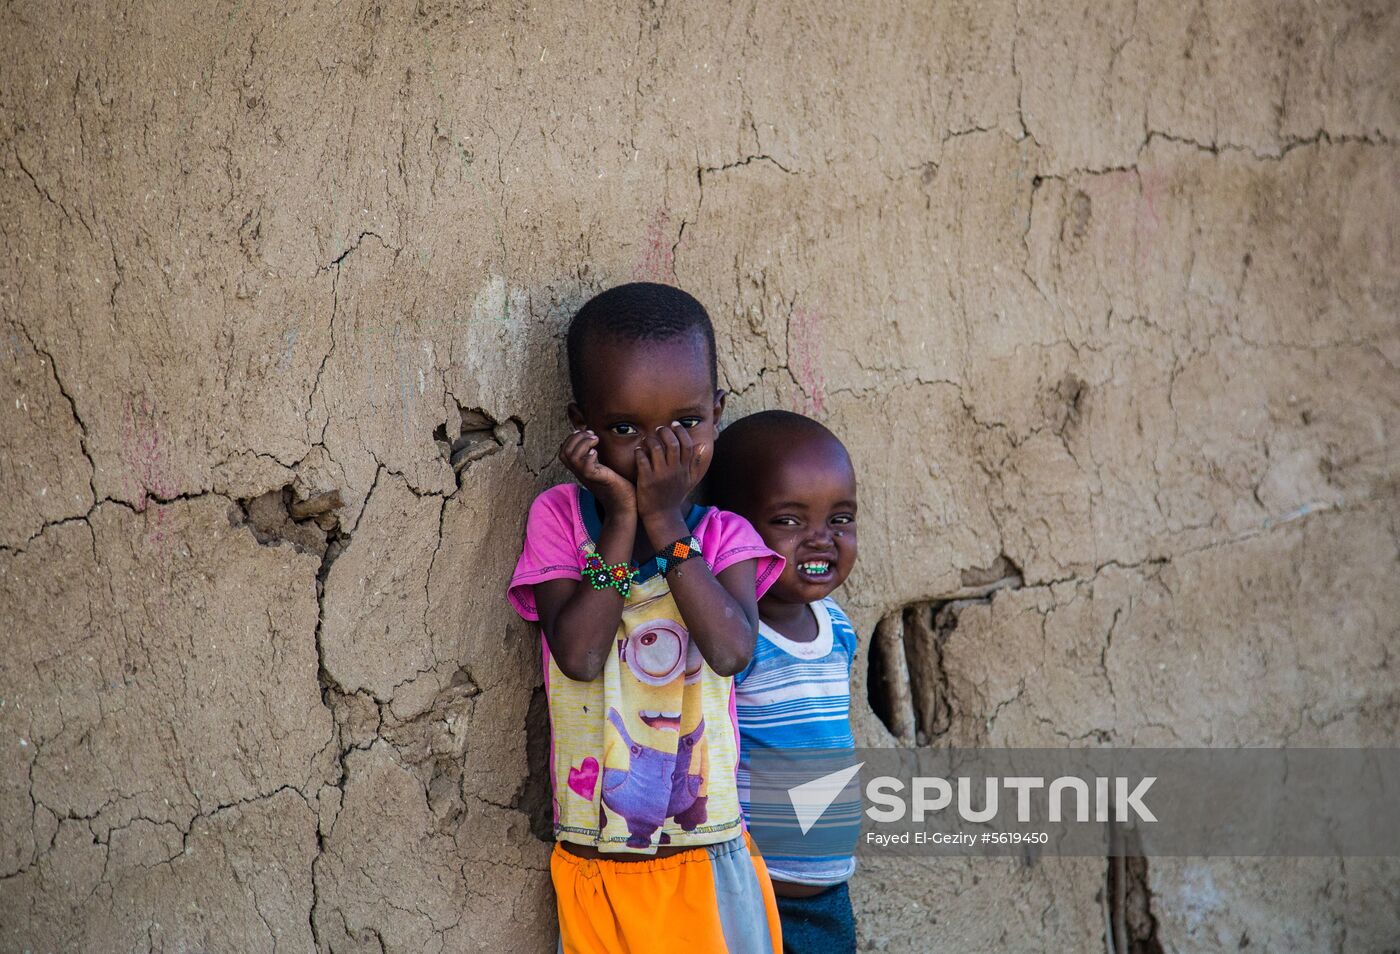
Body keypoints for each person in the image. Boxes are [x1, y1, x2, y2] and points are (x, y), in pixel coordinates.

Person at [507, 282, 785, 953]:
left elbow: (731, 651)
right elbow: (577, 653)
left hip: (705, 854)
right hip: (598, 857)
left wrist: (665, 524)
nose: (660, 453)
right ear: (585, 426)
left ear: (719, 414)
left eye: (687, 423)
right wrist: (624, 521)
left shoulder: (723, 538)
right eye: (626, 429)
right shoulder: (561, 520)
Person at [709, 410, 861, 954]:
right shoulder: (737, 644)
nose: (821, 540)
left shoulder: (838, 628)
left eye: (840, 519)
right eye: (790, 521)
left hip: (829, 891)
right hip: (757, 895)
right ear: (730, 528)